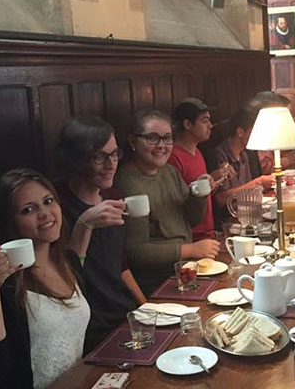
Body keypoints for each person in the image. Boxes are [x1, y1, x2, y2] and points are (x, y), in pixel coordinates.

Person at [0, 169, 89, 389]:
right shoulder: (2, 281)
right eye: (28, 210)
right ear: (9, 222)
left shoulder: (69, 261)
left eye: (48, 201)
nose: (45, 213)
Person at [54, 115, 146, 353]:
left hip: (124, 313)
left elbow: (120, 264)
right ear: (75, 159)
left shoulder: (113, 195)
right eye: (99, 157)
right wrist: (85, 223)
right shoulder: (57, 207)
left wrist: (146, 306)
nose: (111, 164)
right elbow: (64, 278)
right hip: (90, 326)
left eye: (115, 154)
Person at [116, 110, 217, 294]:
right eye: (152, 138)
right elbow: (136, 252)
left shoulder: (169, 171)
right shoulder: (128, 183)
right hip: (157, 281)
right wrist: (190, 250)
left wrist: (198, 195)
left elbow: (192, 220)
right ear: (133, 142)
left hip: (186, 270)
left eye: (167, 138)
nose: (162, 146)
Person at [168, 98, 232, 241]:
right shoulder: (173, 157)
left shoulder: (197, 152)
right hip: (191, 239)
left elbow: (201, 195)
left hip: (207, 233)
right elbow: (179, 203)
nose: (210, 125)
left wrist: (215, 180)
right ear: (188, 124)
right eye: (204, 121)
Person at [206, 105, 274, 226]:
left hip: (246, 216)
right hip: (228, 222)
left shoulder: (244, 155)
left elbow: (248, 191)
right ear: (240, 132)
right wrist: (258, 182)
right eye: (254, 132)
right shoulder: (219, 155)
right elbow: (220, 199)